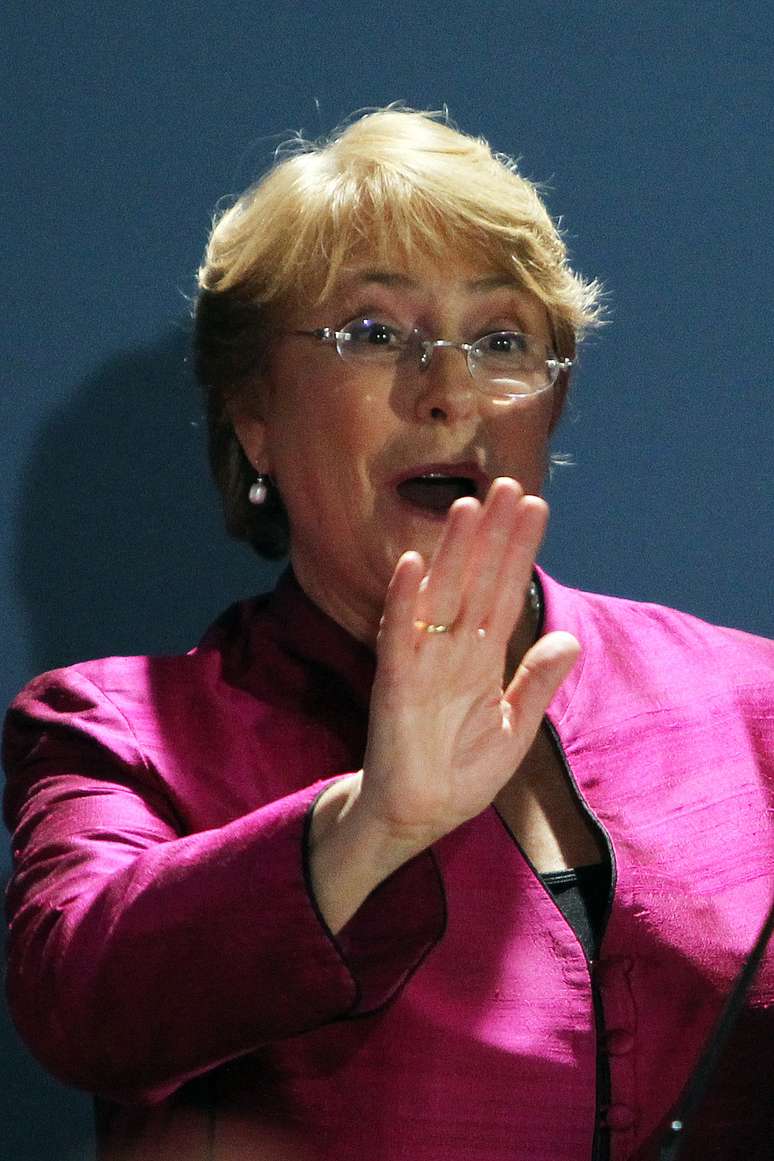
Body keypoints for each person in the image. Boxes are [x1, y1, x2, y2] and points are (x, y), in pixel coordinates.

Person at [3, 107, 773, 1161]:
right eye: (372, 333)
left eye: (502, 340)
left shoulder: (749, 704)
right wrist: (372, 826)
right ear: (254, 416)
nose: (451, 393)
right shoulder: (120, 732)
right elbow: (80, 1006)